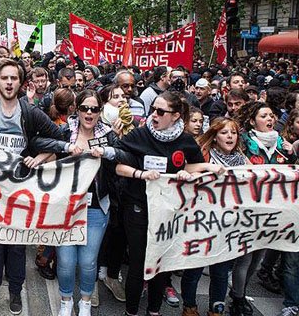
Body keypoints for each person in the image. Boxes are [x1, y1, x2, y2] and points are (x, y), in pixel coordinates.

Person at [0, 59, 65, 315]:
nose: (9, 83)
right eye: (4, 78)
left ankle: (15, 290)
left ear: (21, 83)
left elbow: (58, 137)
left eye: (14, 78)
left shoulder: (30, 113)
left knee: (18, 247)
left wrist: (40, 157)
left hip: (21, 193)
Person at [111, 91, 223, 316]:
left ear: (175, 116)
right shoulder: (139, 135)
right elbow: (117, 166)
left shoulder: (185, 140)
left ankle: (154, 310)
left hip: (169, 212)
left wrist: (199, 170)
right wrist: (141, 174)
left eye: (160, 111)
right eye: (153, 109)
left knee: (162, 263)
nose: (154, 114)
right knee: (139, 262)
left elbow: (190, 167)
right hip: (138, 206)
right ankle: (131, 312)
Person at [38, 90, 118, 316]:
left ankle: (84, 301)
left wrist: (107, 152)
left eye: (94, 109)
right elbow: (41, 142)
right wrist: (61, 150)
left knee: (88, 261)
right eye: (85, 108)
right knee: (64, 260)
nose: (89, 113)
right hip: (66, 209)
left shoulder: (109, 135)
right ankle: (65, 301)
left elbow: (124, 155)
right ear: (77, 109)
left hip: (95, 209)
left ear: (99, 111)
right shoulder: (64, 131)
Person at [230, 101, 296, 316]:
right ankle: (238, 299)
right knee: (245, 256)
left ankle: (240, 290)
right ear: (252, 121)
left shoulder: (281, 143)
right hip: (248, 209)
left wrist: (292, 155)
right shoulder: (243, 144)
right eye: (264, 116)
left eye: (272, 116)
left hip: (272, 210)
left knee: (257, 257)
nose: (270, 120)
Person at [181, 118, 248, 316]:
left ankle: (216, 308)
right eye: (225, 132)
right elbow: (186, 171)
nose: (230, 136)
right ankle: (190, 306)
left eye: (233, 133)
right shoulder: (204, 155)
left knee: (220, 271)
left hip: (227, 224)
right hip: (201, 222)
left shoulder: (243, 160)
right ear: (215, 136)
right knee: (194, 269)